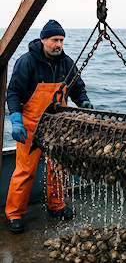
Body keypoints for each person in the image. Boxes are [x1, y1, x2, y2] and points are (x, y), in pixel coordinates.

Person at [6, 19, 93, 233]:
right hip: (30, 127)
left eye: (61, 40)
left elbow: (77, 88)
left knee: (58, 169)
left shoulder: (66, 63)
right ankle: (15, 214)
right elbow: (14, 93)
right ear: (43, 39)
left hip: (58, 128)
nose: (59, 44)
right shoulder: (26, 62)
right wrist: (16, 120)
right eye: (55, 40)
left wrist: (83, 101)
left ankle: (57, 205)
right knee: (25, 170)